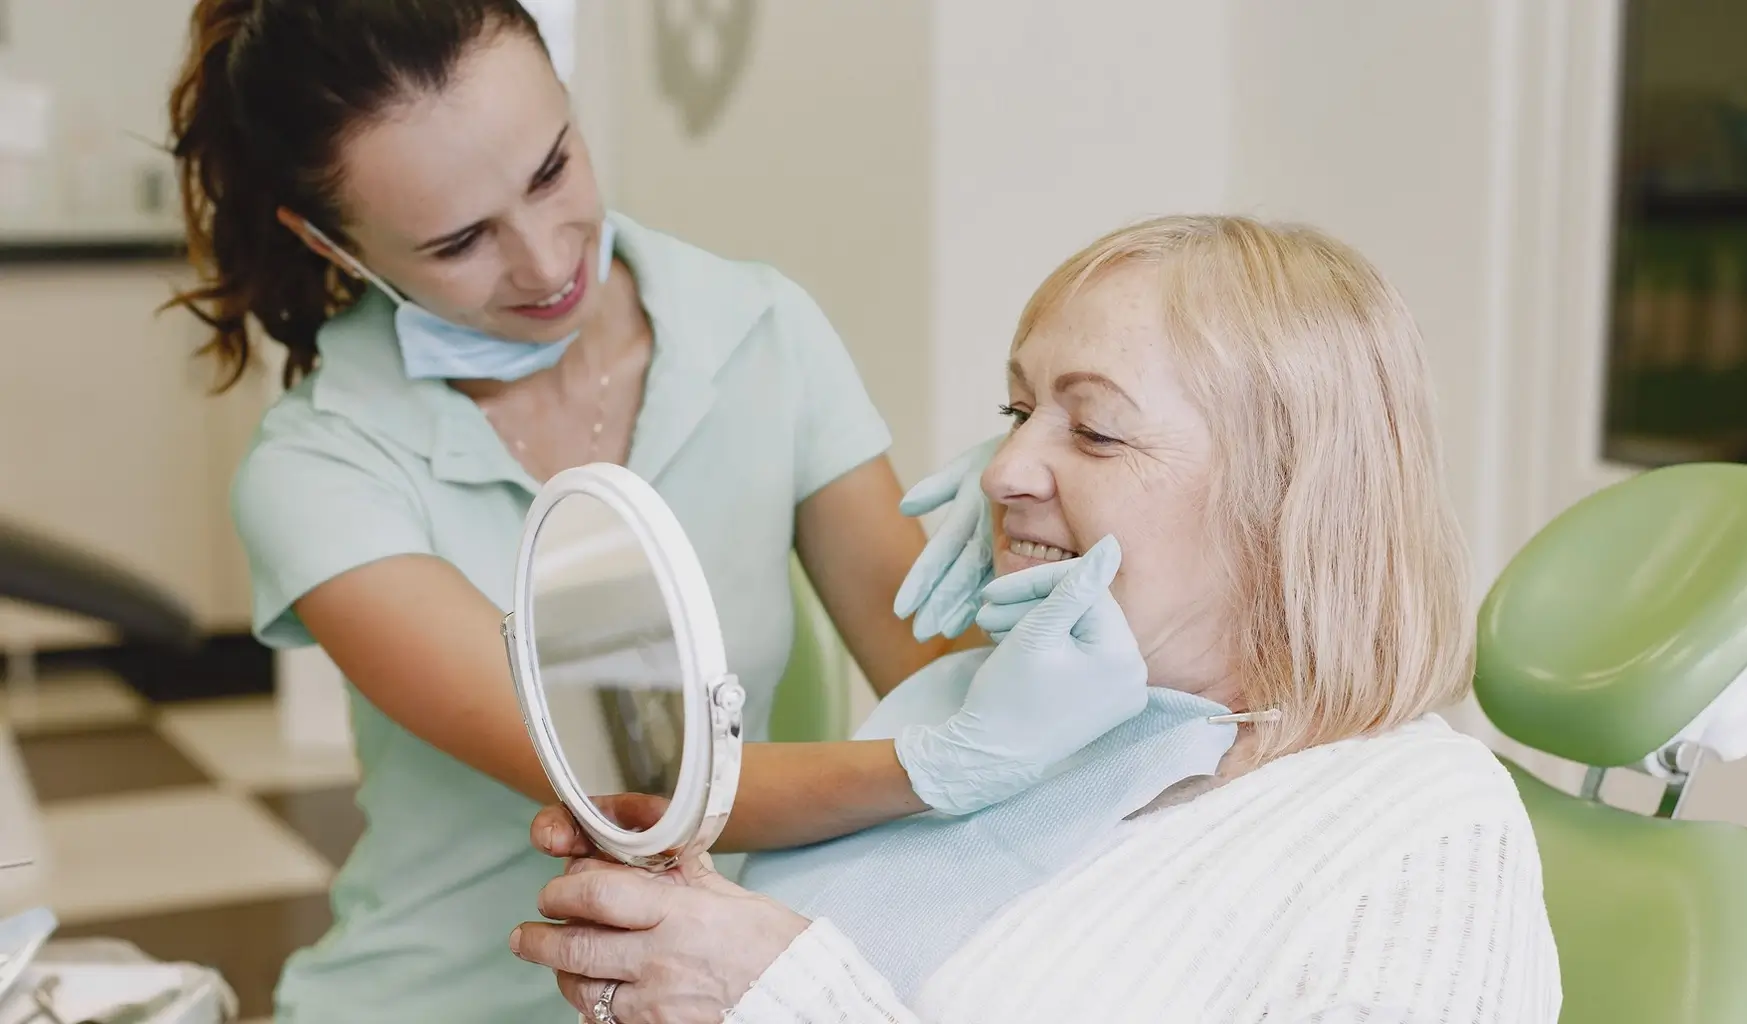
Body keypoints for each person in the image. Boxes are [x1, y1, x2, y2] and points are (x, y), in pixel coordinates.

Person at [164, 1, 1110, 1020]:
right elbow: (633, 788)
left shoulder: (759, 332)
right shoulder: (320, 466)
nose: (544, 261)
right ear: (327, 240)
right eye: (458, 241)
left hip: (726, 986)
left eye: (551, 169)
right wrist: (947, 758)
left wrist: (1039, 555)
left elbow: (936, 675)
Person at [513, 215, 1565, 1022]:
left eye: (1095, 429)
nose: (1006, 470)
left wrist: (782, 992)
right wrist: (669, 962)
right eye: (1016, 412)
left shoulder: (1417, 830)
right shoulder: (1012, 711)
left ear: (1289, 503)